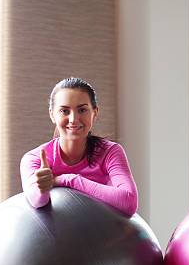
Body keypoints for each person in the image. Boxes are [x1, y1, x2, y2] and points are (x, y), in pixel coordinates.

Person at [20, 77, 138, 216]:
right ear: (52, 115)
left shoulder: (110, 152)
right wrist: (42, 188)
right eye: (64, 111)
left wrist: (69, 180)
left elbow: (129, 201)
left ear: (95, 113)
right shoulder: (34, 159)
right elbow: (37, 202)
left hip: (104, 236)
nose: (73, 119)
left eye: (82, 110)